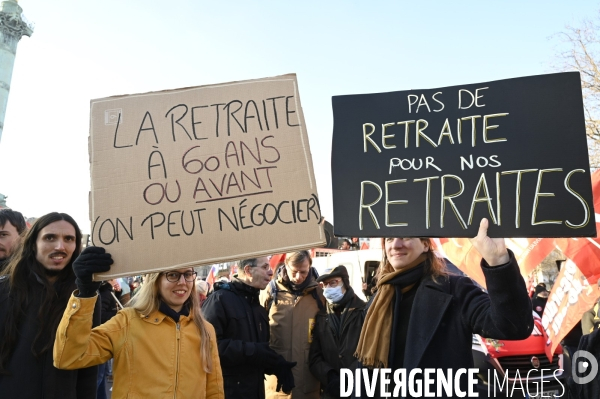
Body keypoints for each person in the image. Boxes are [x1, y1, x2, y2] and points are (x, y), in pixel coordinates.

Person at [353, 218, 533, 398]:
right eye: (390, 239)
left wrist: (498, 260)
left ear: (425, 245)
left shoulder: (455, 289)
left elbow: (513, 325)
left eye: (406, 237)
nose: (396, 245)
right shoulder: (379, 299)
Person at [53, 246, 225, 398]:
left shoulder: (205, 329)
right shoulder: (128, 322)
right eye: (172, 275)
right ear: (155, 280)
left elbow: (213, 391)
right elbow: (68, 357)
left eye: (188, 274)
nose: (182, 282)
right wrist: (85, 293)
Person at [0, 212, 100, 398]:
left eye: (69, 239)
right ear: (33, 244)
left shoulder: (84, 296)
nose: (60, 246)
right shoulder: (5, 290)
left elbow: (88, 369)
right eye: (50, 237)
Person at [203, 257, 296, 399]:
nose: (271, 272)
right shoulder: (219, 300)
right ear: (248, 270)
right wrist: (254, 351)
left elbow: (258, 353)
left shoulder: (257, 307)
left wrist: (276, 364)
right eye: (265, 267)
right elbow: (209, 348)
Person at [263, 250, 324, 399]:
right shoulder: (271, 291)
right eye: (294, 271)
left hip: (309, 381)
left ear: (310, 266)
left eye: (303, 272)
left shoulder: (319, 293)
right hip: (276, 381)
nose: (298, 277)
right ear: (286, 265)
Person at [309, 265, 366, 399]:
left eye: (333, 282)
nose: (328, 288)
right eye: (325, 284)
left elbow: (371, 353)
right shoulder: (322, 316)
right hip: (331, 391)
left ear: (345, 282)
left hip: (359, 389)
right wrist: (330, 377)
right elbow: (315, 357)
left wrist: (349, 379)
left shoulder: (363, 311)